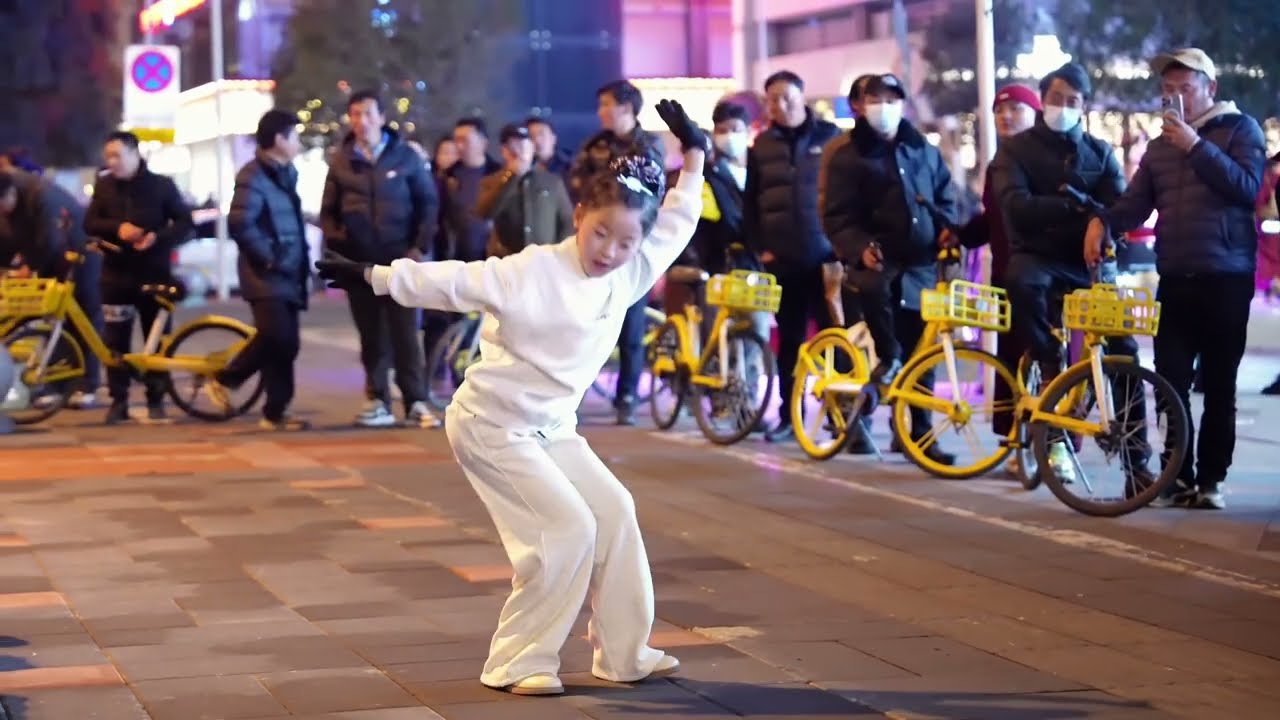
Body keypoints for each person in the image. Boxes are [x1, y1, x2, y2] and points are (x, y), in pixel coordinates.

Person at [316, 99, 705, 697]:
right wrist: (375, 276)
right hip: (491, 425)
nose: (609, 250)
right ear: (579, 215)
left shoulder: (632, 268)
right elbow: (454, 279)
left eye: (625, 242)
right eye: (599, 232)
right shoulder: (532, 271)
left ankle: (625, 654)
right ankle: (517, 660)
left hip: (553, 427)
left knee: (616, 512)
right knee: (566, 529)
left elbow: (678, 216)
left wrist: (695, 151)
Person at [1086, 49, 1267, 510]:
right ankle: (1175, 476)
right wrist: (1102, 221)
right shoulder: (1159, 146)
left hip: (1226, 274)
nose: (1175, 98)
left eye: (1184, 88)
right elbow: (1135, 204)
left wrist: (1196, 145)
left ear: (1210, 88)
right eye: (1168, 91)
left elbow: (1246, 187)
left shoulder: (1240, 130)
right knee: (1169, 380)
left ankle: (1211, 481)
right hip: (1175, 273)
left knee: (1220, 382)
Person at [820, 73, 958, 463]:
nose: (884, 105)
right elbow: (836, 216)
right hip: (875, 266)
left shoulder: (922, 150)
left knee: (922, 352)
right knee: (881, 346)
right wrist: (859, 248)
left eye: (892, 97)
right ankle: (867, 405)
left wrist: (947, 228)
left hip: (920, 266)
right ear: (859, 106)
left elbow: (945, 196)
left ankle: (918, 434)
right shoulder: (845, 154)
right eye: (874, 98)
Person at [320, 90, 439, 429]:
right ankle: (377, 399)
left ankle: (416, 400)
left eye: (368, 113)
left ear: (382, 117)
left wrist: (418, 247)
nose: (361, 121)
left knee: (405, 333)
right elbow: (328, 211)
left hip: (399, 261)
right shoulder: (342, 161)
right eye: (355, 114)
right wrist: (340, 244)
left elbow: (427, 205)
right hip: (361, 264)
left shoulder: (406, 157)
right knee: (371, 335)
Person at [744, 70, 841, 442]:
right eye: (772, 99)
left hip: (826, 259)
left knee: (835, 339)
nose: (779, 105)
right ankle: (789, 415)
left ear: (802, 97)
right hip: (783, 259)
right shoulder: (762, 146)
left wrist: (841, 246)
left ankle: (840, 413)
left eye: (786, 97)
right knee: (790, 340)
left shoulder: (830, 138)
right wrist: (760, 248)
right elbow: (751, 203)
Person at [203, 110, 311, 431]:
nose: (298, 143)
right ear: (279, 140)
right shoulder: (253, 175)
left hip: (288, 271)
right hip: (265, 273)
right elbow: (240, 221)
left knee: (288, 343)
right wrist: (267, 258)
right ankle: (225, 378)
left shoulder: (284, 173)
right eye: (295, 136)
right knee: (275, 335)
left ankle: (276, 412)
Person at [953, 84, 1039, 475]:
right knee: (1010, 360)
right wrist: (958, 235)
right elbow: (993, 221)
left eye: (1017, 109)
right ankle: (1014, 441)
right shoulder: (998, 164)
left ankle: (1053, 446)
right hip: (1006, 277)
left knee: (1047, 360)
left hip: (1045, 277)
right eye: (1001, 111)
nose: (1007, 117)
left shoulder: (1048, 159)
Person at [572, 79, 666, 425]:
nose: (601, 112)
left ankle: (627, 394)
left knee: (630, 324)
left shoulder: (648, 145)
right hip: (594, 241)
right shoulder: (594, 146)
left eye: (606, 104)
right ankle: (574, 390)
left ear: (626, 108)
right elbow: (578, 185)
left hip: (630, 245)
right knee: (583, 320)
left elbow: (654, 195)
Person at [83, 131, 192, 424]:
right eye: (108, 156)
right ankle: (119, 401)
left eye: (117, 155)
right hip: (116, 276)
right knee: (115, 341)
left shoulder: (161, 186)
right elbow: (90, 222)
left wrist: (158, 237)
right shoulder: (104, 186)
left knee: (156, 341)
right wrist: (117, 228)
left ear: (135, 154)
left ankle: (156, 399)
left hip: (154, 275)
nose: (112, 162)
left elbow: (185, 223)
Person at [0, 170, 103, 408]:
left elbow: (51, 240)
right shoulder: (9, 205)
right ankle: (59, 383)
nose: (2, 212)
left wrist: (30, 267)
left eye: (2, 205)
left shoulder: (43, 196)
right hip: (49, 257)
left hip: (79, 251)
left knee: (83, 315)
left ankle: (88, 383)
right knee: (55, 320)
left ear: (11, 193)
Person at [476, 123, 574, 257]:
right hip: (505, 261)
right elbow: (485, 212)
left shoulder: (551, 181)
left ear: (532, 149)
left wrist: (558, 253)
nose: (519, 152)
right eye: (513, 147)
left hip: (543, 260)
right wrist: (511, 176)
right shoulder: (492, 182)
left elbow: (567, 221)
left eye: (523, 146)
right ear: (504, 151)